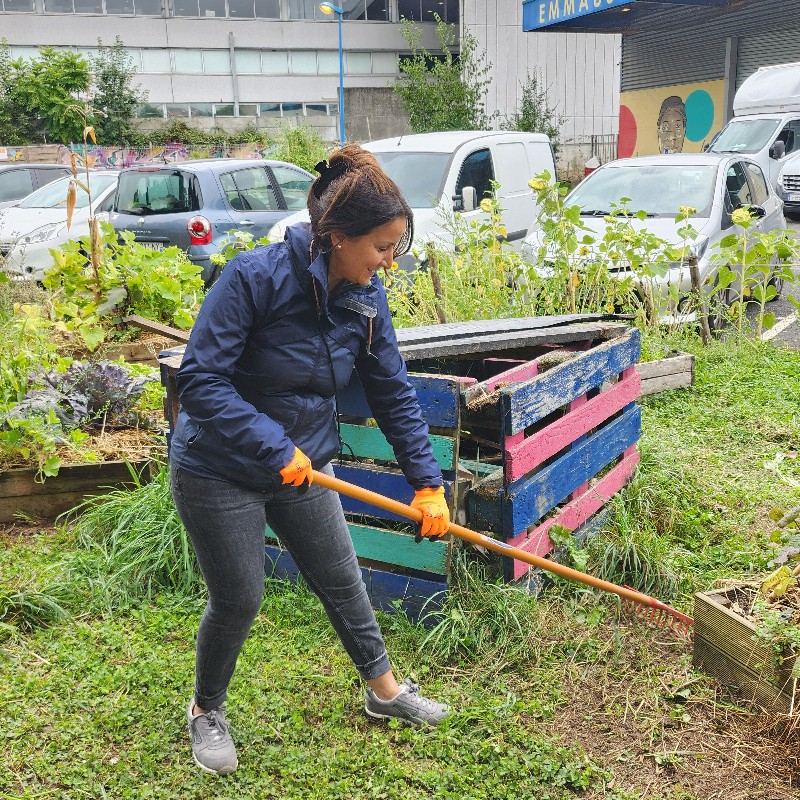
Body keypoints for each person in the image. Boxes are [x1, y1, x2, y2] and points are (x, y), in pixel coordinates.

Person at [169, 144, 452, 776]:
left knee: (340, 576)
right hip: (218, 467)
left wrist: (427, 484)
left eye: (395, 249)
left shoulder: (364, 300)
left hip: (306, 468)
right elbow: (201, 382)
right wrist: (274, 447)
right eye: (381, 247)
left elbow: (393, 392)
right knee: (240, 596)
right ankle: (205, 710)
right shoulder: (251, 279)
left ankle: (385, 694)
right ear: (337, 237)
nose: (387, 263)